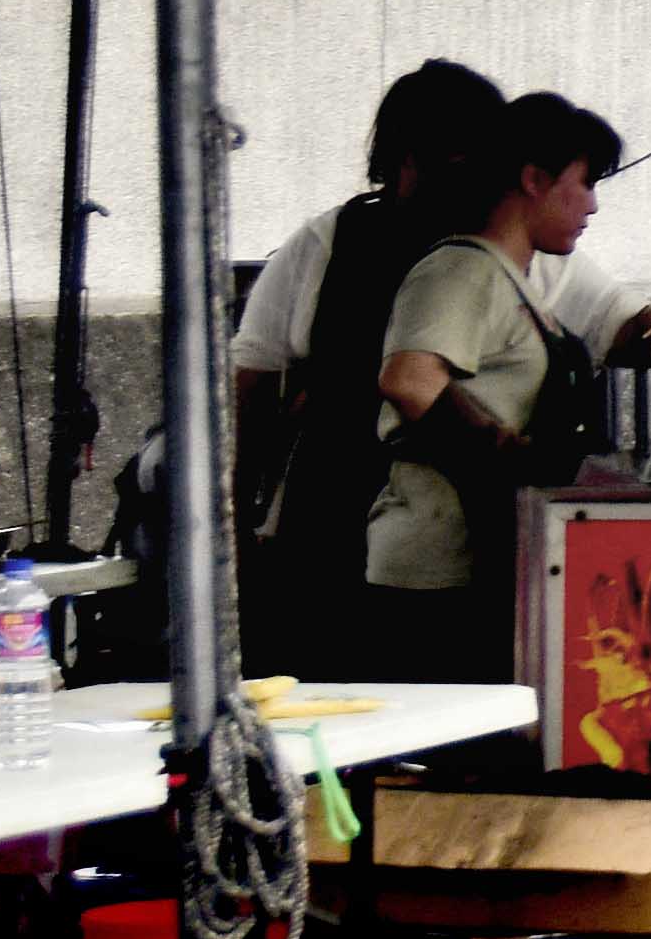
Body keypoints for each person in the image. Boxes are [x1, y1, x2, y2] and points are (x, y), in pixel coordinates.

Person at [238, 58, 510, 678]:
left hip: (455, 529)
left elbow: (615, 324)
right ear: (408, 157)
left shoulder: (503, 250)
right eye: (460, 159)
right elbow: (250, 385)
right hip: (327, 514)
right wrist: (230, 527)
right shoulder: (326, 242)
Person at [361, 92, 618, 691]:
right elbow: (409, 379)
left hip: (486, 558)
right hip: (435, 572)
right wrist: (505, 454)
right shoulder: (462, 270)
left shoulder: (514, 282)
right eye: (585, 183)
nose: (593, 205)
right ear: (533, 179)